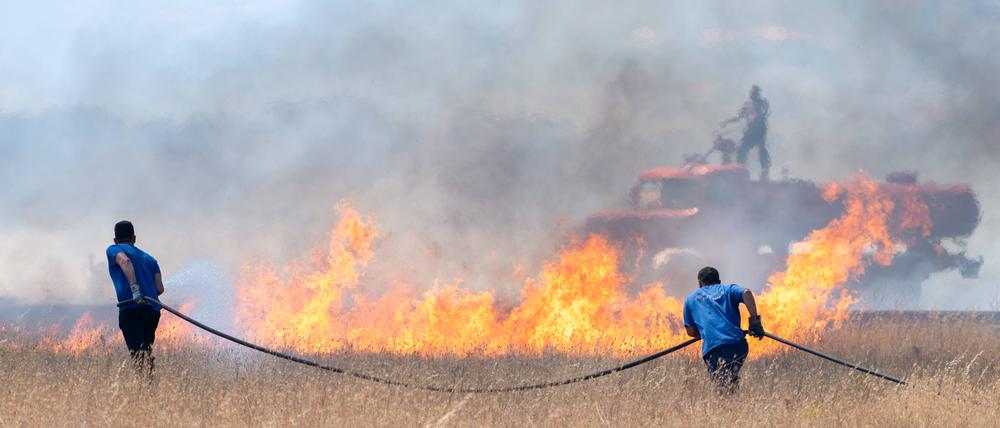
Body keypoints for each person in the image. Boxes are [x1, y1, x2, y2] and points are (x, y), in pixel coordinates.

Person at [683, 266, 764, 394]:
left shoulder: (690, 299)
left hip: (715, 348)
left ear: (700, 283)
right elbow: (746, 293)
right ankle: (734, 396)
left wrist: (706, 332)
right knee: (729, 381)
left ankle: (731, 402)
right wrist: (754, 320)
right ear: (719, 281)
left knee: (723, 390)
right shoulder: (728, 289)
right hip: (739, 345)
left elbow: (691, 331)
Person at [106, 220, 164, 376]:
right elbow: (159, 288)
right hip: (152, 311)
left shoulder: (114, 249)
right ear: (134, 238)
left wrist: (135, 290)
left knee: (137, 355)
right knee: (146, 350)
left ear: (115, 240)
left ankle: (144, 386)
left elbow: (124, 261)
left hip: (132, 309)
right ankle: (149, 383)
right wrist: (146, 293)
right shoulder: (150, 259)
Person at [721, 85, 771, 180]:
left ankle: (765, 171)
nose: (752, 94)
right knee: (742, 150)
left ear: (758, 93)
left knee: (762, 150)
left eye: (754, 92)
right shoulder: (748, 104)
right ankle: (740, 170)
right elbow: (739, 116)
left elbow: (764, 111)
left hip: (759, 132)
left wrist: (754, 114)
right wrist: (727, 121)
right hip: (750, 132)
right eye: (752, 92)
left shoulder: (763, 102)